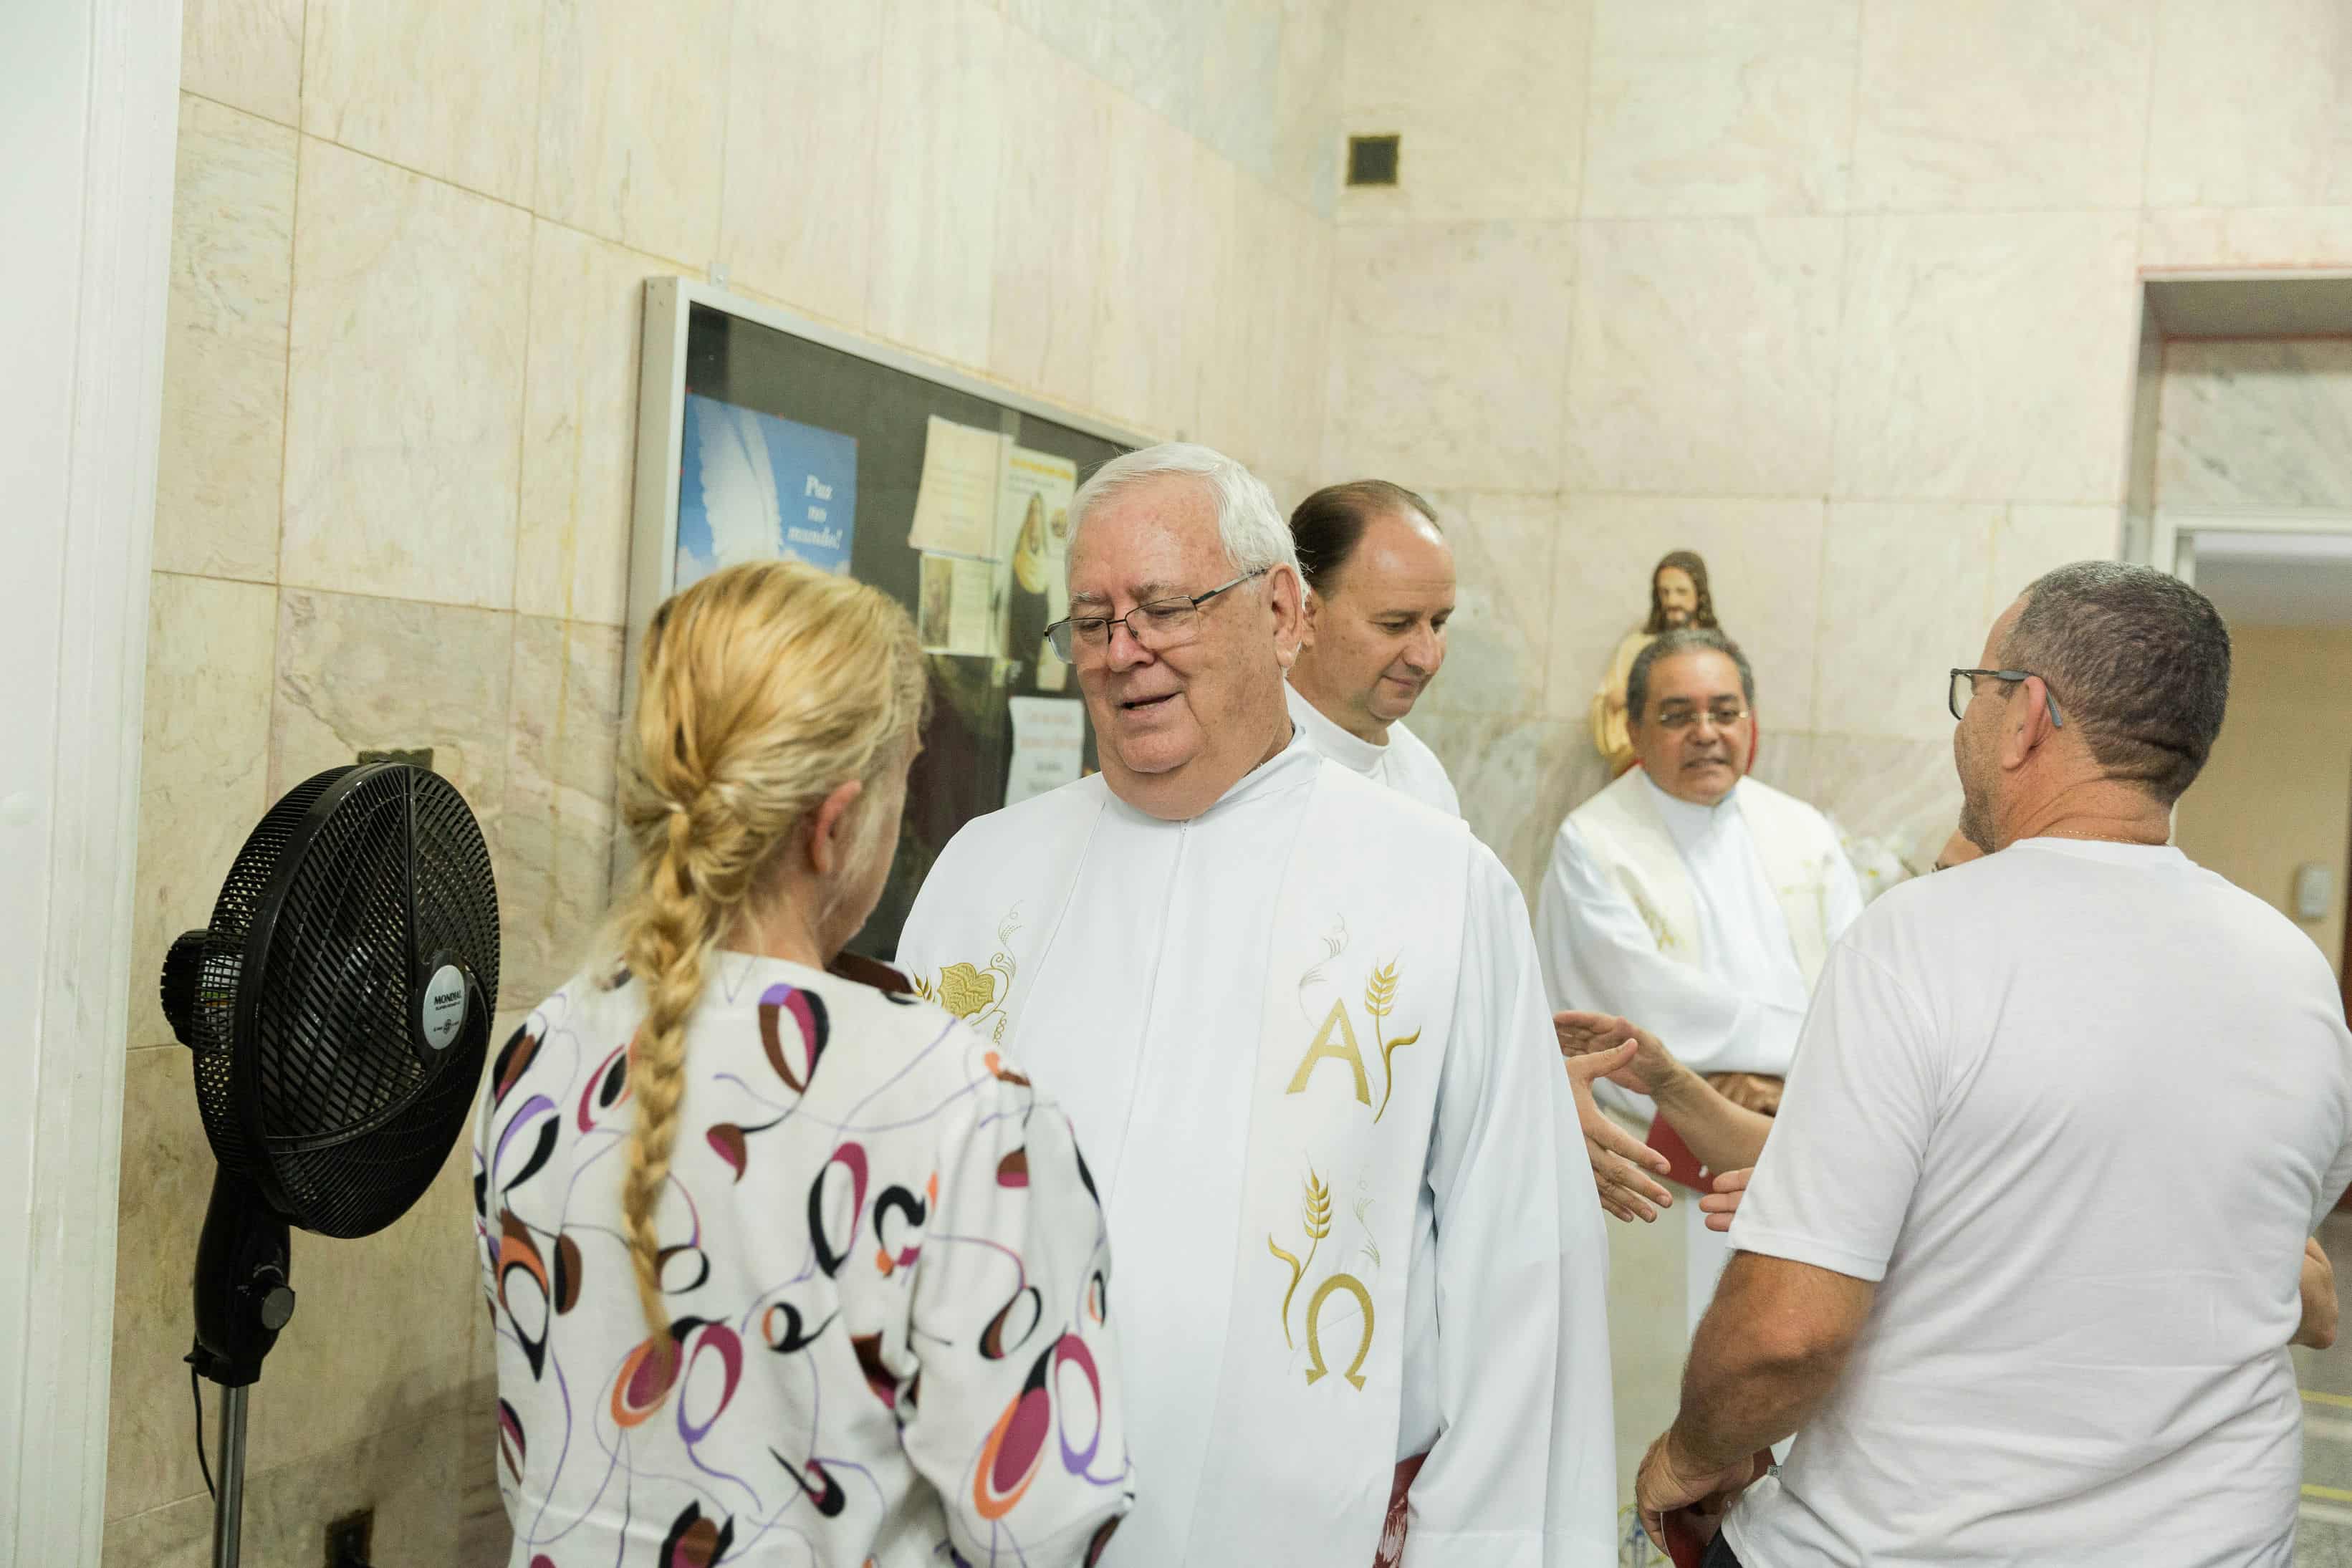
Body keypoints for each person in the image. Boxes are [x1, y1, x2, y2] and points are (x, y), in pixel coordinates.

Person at [896, 443, 1616, 1566]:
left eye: (1163, 609)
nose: (1122, 652)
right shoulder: (985, 873)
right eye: (1090, 621)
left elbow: (1521, 1269)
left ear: (1280, 612)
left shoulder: (1435, 889)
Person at [1636, 562, 2352, 1567]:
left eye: (1976, 686)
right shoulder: (2294, 973)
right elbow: (2273, 1255)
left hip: (1915, 1542)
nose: (1964, 719)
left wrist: (1686, 1455)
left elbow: (1787, 1334)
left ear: (2025, 716)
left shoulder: (1917, 942)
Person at [474, 562, 1132, 1567]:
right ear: (834, 825)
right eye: (905, 780)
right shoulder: (961, 1111)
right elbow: (1037, 1528)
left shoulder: (543, 1049)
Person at [1537, 627, 1864, 1332]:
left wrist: (1787, 1084)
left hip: (1796, 1144)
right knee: (1660, 1370)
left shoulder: (1804, 831)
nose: (1706, 733)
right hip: (1658, 1165)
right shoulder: (1593, 841)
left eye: (1724, 711)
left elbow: (1857, 981)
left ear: (1751, 722)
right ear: (1633, 729)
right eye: (1677, 714)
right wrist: (1795, 1065)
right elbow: (1634, 1000)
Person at [1283, 480, 1460, 815]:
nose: (1428, 659)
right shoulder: (1236, 773)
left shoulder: (1426, 779)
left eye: (1438, 624)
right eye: (1395, 624)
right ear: (1303, 614)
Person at [1591, 551, 1715, 776]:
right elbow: (1610, 703)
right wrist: (1625, 699)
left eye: (1681, 592)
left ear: (1700, 595)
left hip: (1699, 762)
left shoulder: (1716, 652)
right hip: (1642, 765)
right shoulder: (1636, 647)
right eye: (1664, 592)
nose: (1672, 601)